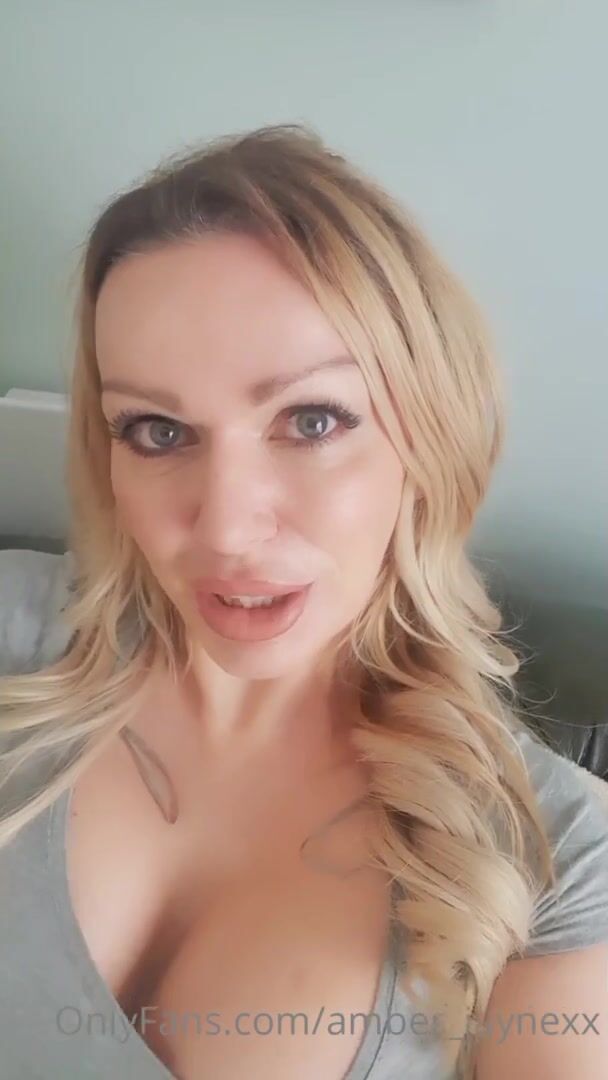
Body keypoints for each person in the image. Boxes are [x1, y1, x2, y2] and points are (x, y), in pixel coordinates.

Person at [1, 122, 607, 1080]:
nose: (225, 528)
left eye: (312, 420)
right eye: (157, 431)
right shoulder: (16, 639)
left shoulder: (549, 854)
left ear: (428, 434)